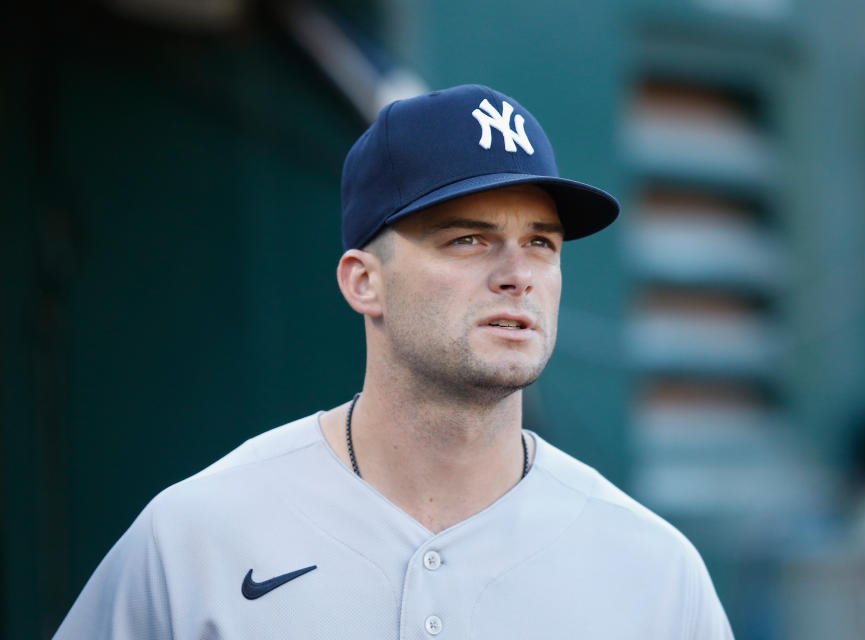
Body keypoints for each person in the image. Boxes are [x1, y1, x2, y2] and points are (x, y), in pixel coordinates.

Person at [55, 84, 733, 639]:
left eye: (542, 243)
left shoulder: (652, 569)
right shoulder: (197, 536)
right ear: (363, 282)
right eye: (468, 239)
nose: (517, 274)